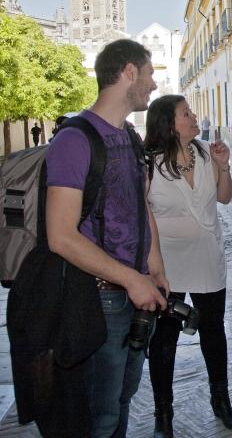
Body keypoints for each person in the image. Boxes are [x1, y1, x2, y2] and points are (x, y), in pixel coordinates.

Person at [46, 39, 169, 437]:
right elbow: (60, 235)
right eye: (149, 74)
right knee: (98, 418)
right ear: (129, 72)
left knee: (121, 404)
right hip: (98, 299)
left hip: (135, 295)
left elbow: (140, 205)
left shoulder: (131, 138)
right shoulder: (73, 139)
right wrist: (131, 279)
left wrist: (154, 267)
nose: (153, 85)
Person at [144, 95, 232, 437]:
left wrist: (224, 165)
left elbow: (226, 197)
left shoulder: (205, 152)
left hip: (207, 257)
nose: (194, 116)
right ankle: (163, 413)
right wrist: (151, 264)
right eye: (186, 113)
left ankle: (221, 400)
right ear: (169, 124)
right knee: (165, 337)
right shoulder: (148, 163)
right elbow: (143, 217)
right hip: (166, 265)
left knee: (213, 330)